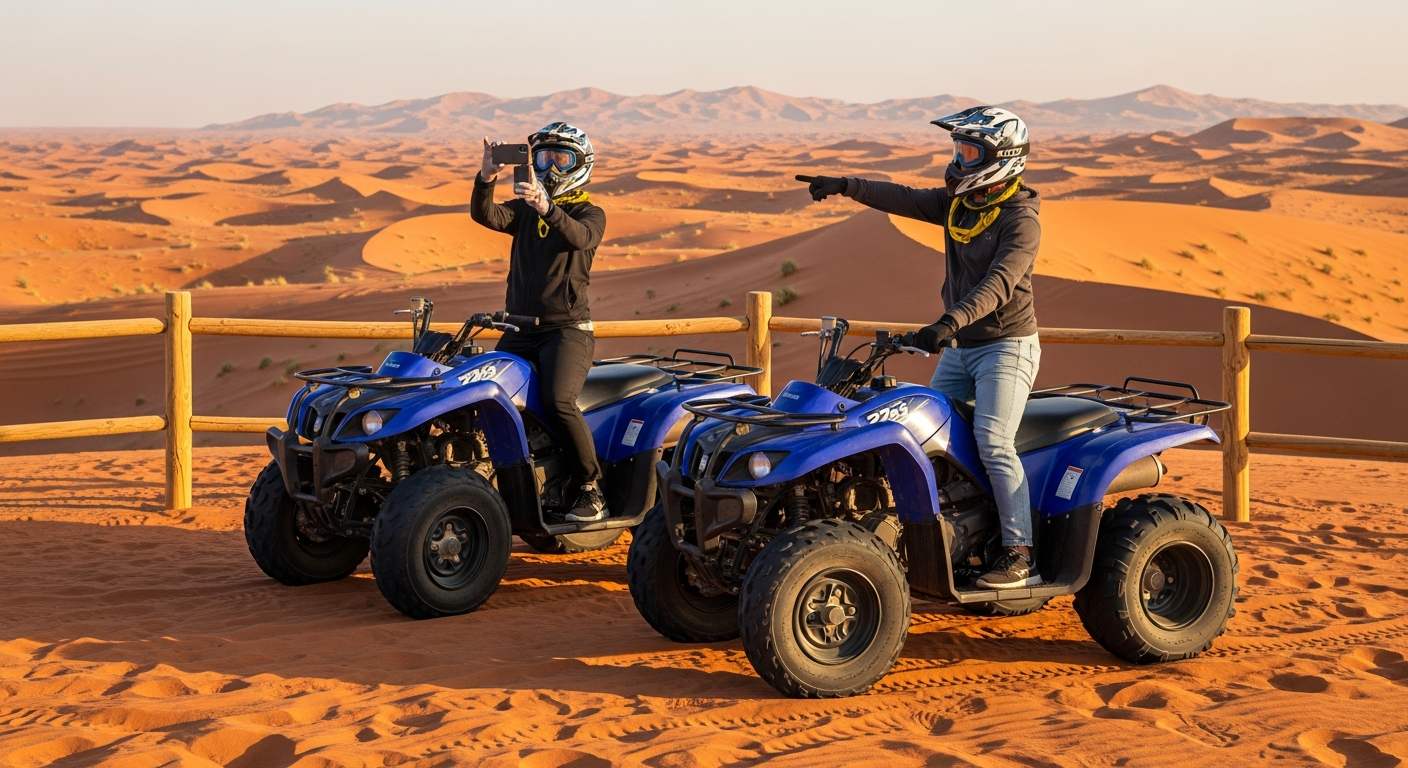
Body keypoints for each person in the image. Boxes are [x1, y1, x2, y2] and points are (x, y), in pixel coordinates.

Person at [801, 107, 1043, 589]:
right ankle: (954, 534)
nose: (959, 160)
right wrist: (845, 184)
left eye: (970, 152)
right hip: (961, 345)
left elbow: (998, 284)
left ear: (1003, 158)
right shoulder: (961, 203)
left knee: (994, 442)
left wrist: (947, 322)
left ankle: (1019, 552)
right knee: (930, 438)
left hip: (1005, 346)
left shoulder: (1021, 221)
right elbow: (903, 198)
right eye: (959, 149)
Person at [471, 122, 608, 522]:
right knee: (485, 395)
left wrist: (546, 207)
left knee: (558, 401)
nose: (550, 167)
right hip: (518, 329)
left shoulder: (590, 212)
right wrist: (485, 178)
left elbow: (580, 237)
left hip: (566, 331)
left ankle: (589, 487)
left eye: (560, 158)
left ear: (580, 165)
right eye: (544, 157)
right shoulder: (523, 211)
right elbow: (487, 215)